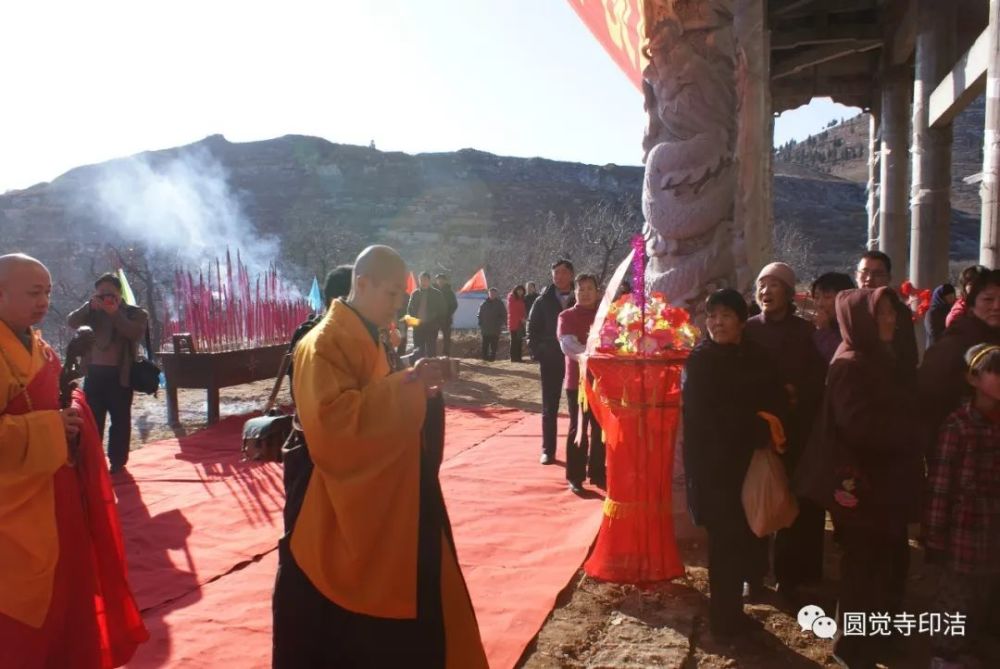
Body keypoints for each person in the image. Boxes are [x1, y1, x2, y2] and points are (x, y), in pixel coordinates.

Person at [272, 245, 487, 668]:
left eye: (400, 298)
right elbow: (334, 426)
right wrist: (407, 387)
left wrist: (418, 385)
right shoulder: (322, 344)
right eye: (390, 295)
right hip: (334, 502)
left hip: (384, 490)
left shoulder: (367, 334)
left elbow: (376, 397)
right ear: (362, 284)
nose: (396, 306)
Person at [0, 253, 148, 668]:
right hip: (14, 504)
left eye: (47, 291)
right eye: (34, 292)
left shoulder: (36, 344)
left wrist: (72, 414)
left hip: (55, 488)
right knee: (21, 603)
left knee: (66, 585)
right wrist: (51, 428)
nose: (44, 300)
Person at [807, 288, 924, 669]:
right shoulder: (851, 364)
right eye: (883, 314)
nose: (892, 319)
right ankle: (852, 649)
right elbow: (859, 429)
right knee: (863, 569)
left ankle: (875, 639)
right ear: (861, 321)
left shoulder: (877, 357)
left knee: (883, 564)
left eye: (892, 312)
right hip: (862, 487)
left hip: (882, 484)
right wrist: (910, 430)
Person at [682, 289, 786, 638]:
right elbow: (704, 419)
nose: (717, 322)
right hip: (715, 468)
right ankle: (725, 621)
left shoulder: (757, 356)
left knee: (745, 537)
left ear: (742, 321)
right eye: (712, 316)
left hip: (751, 462)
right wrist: (753, 426)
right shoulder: (701, 361)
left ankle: (737, 608)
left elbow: (776, 397)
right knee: (724, 544)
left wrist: (763, 426)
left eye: (726, 315)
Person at [744, 262, 826, 600]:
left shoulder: (806, 333)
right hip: (755, 429)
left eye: (774, 285)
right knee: (755, 497)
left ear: (789, 293)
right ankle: (753, 573)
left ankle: (788, 575)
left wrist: (794, 393)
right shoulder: (747, 330)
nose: (766, 291)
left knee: (790, 500)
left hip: (794, 428)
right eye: (762, 284)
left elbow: (817, 378)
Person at [924, 344, 1000, 669]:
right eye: (995, 372)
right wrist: (935, 537)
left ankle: (966, 647)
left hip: (993, 533)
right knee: (955, 597)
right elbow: (941, 487)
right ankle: (944, 654)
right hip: (962, 533)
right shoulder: (958, 426)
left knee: (982, 595)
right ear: (972, 378)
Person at [282, 264, 354, 535]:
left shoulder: (317, 332)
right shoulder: (320, 337)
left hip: (326, 447)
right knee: (308, 533)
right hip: (317, 449)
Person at [67, 273, 149, 474]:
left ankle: (118, 462)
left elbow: (134, 333)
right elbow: (71, 322)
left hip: (121, 375)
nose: (106, 298)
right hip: (94, 374)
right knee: (92, 420)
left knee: (120, 420)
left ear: (119, 294)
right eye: (101, 293)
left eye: (110, 293)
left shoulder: (134, 313)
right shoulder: (92, 311)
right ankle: (92, 459)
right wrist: (88, 307)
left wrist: (114, 313)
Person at [919, 269, 1000, 439]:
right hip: (963, 440)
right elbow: (930, 396)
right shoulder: (957, 343)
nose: (996, 306)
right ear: (971, 305)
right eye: (988, 299)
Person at [557, 273, 604, 493]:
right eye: (581, 289)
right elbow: (568, 346)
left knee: (600, 428)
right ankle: (575, 476)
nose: (585, 293)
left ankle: (597, 472)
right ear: (575, 292)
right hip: (577, 383)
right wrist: (592, 355)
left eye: (589, 289)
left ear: (597, 291)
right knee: (578, 428)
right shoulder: (566, 316)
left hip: (604, 382)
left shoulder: (606, 316)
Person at [527, 260, 575, 465]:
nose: (559, 276)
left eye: (563, 272)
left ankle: (578, 452)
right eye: (555, 272)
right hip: (551, 358)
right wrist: (538, 352)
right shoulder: (543, 300)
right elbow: (532, 329)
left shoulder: (582, 296)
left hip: (577, 359)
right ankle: (548, 450)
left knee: (578, 406)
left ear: (572, 275)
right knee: (550, 405)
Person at [855, 250, 918, 381]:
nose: (869, 279)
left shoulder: (899, 311)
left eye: (877, 274)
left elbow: (910, 357)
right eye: (864, 272)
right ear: (856, 275)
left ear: (888, 278)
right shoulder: (848, 309)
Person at [810, 272, 856, 363]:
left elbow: (842, 362)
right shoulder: (811, 328)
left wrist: (824, 331)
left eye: (827, 297)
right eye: (816, 297)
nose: (820, 304)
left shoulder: (855, 329)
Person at [407, 272, 446, 360]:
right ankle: (418, 370)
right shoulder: (415, 293)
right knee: (418, 350)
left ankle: (432, 370)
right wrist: (414, 321)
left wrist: (438, 324)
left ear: (429, 281)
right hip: (418, 326)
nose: (423, 282)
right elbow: (410, 309)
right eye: (421, 280)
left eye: (425, 280)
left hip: (431, 326)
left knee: (431, 350)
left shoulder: (437, 294)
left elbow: (442, 310)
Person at [946, 264, 989, 329]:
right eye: (971, 284)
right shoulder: (958, 314)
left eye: (981, 284)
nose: (977, 287)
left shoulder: (989, 306)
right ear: (964, 287)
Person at [477, 287, 506, 362]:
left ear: (496, 294)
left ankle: (492, 357)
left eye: (494, 293)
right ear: (488, 294)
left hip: (495, 328)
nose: (492, 294)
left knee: (494, 344)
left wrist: (501, 323)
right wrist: (480, 322)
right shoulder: (484, 303)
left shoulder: (500, 303)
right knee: (485, 344)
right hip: (485, 328)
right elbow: (479, 314)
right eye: (491, 293)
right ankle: (484, 357)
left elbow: (504, 314)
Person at [436, 274, 459, 357]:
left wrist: (448, 314)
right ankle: (432, 355)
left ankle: (446, 355)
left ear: (445, 281)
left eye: (442, 279)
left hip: (446, 319)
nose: (440, 281)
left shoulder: (450, 292)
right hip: (435, 319)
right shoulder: (433, 291)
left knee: (446, 338)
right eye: (439, 279)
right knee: (432, 337)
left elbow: (455, 305)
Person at [507, 285, 527, 362]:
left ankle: (518, 358)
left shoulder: (521, 299)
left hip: (520, 323)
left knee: (519, 340)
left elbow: (523, 310)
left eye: (521, 290)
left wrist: (524, 317)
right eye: (518, 290)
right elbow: (513, 311)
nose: (520, 292)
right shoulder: (511, 298)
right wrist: (521, 318)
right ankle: (513, 358)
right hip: (514, 322)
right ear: (515, 290)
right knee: (514, 341)